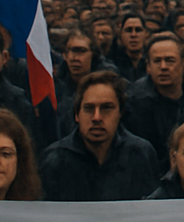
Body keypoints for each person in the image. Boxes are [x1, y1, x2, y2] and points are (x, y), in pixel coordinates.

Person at [40, 70, 160, 201]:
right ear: (77, 114)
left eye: (106, 108)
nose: (97, 117)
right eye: (89, 108)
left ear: (120, 112)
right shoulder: (54, 160)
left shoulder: (140, 154)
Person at [126, 32, 184, 159]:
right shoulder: (136, 103)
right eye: (157, 61)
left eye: (170, 60)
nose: (163, 67)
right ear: (148, 67)